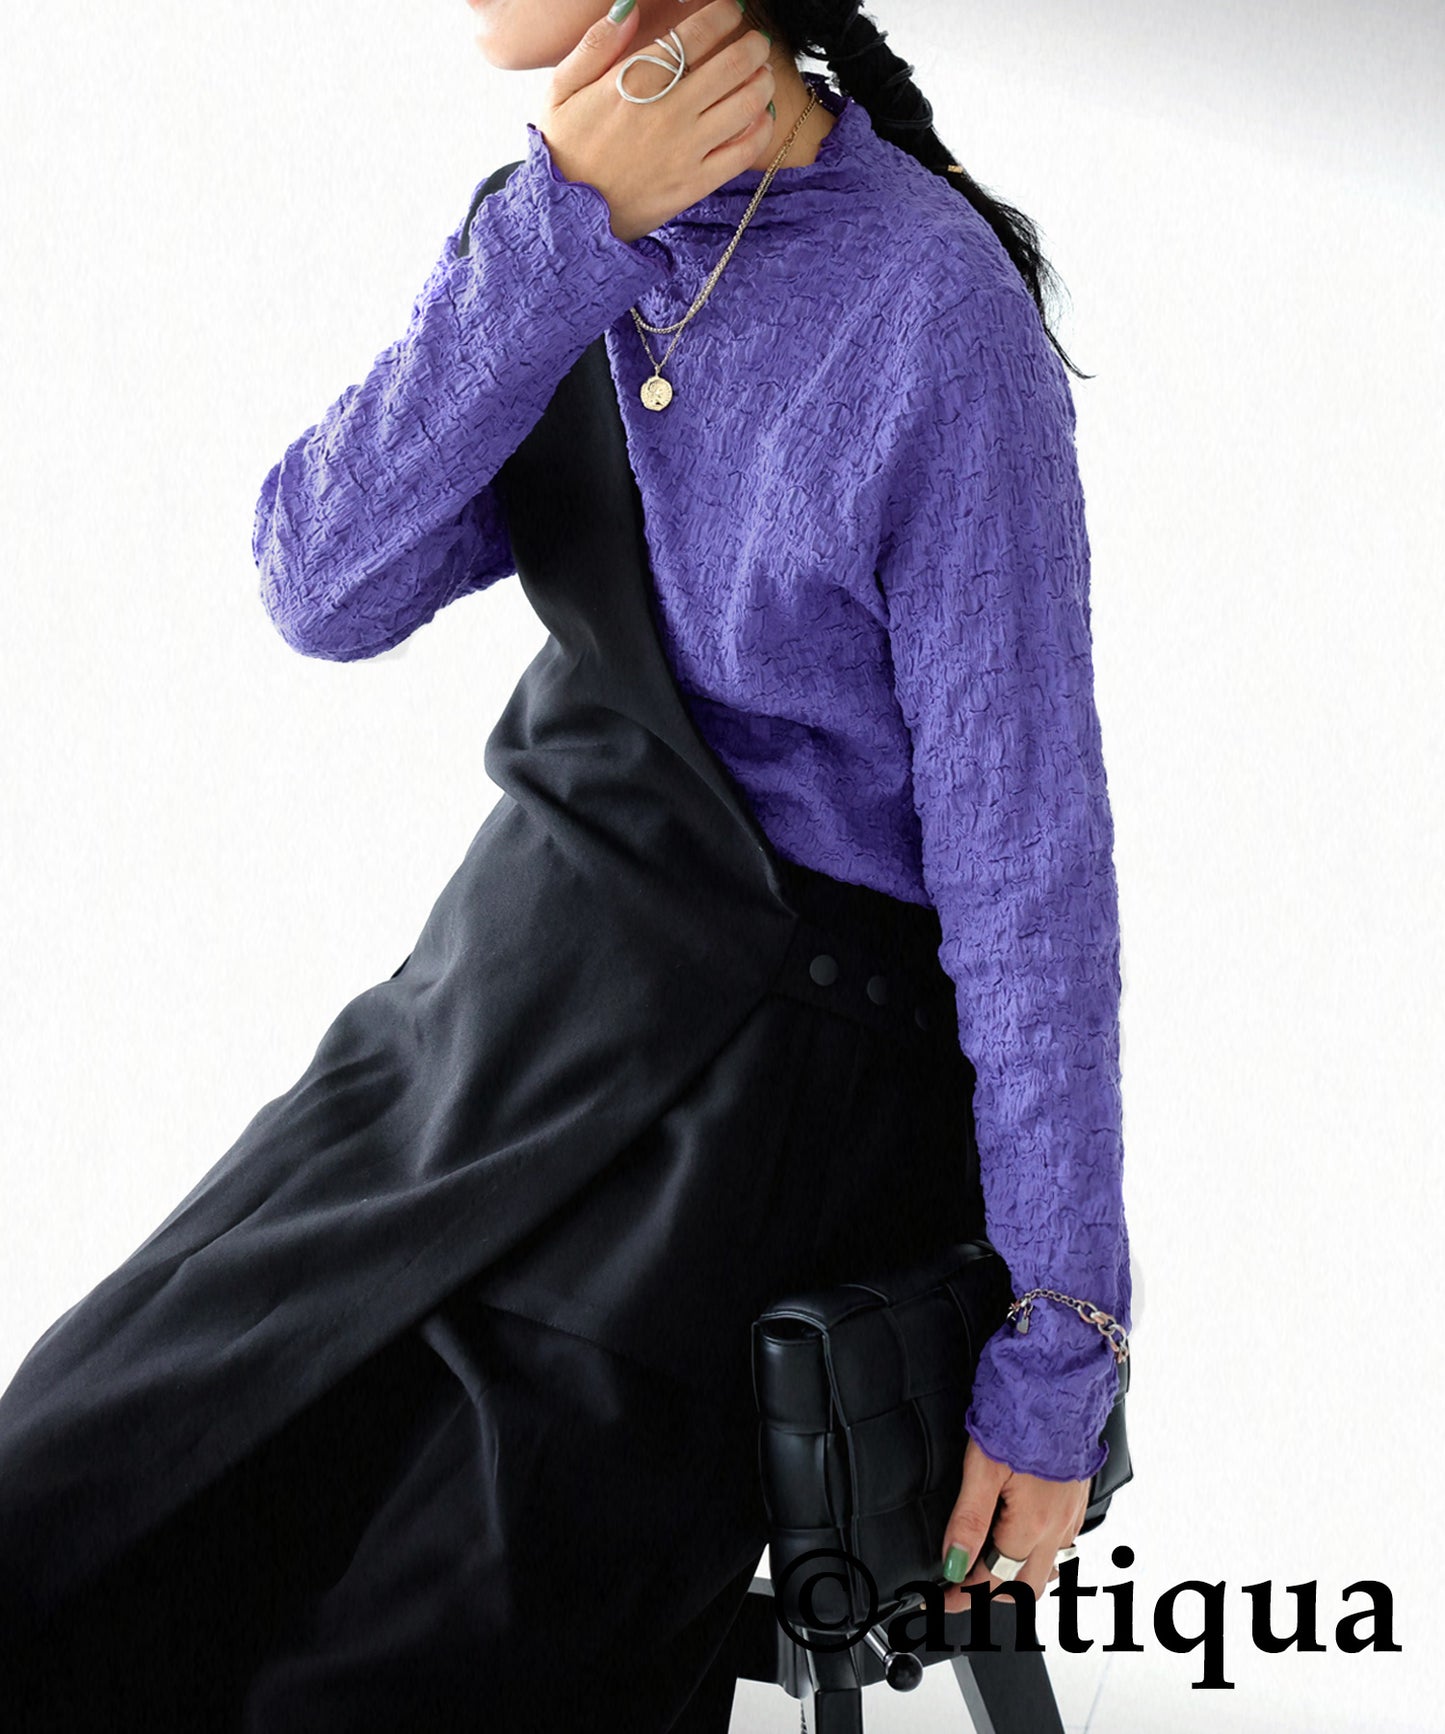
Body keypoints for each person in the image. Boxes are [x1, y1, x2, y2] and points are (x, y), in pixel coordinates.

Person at [0, 0, 1132, 1727]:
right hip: (484, 1023)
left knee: (399, 1664)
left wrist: (1059, 1346)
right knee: (65, 1516)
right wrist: (562, 225)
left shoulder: (927, 310)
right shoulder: (556, 223)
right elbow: (323, 584)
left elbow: (1028, 873)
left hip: (756, 1113)